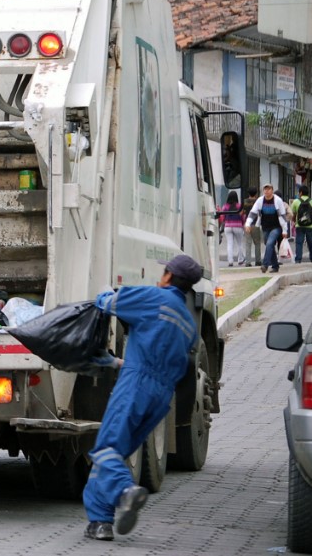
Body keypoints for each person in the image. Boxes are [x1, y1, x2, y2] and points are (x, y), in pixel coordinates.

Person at [83, 254, 203, 541]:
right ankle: (100, 523)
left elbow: (109, 303)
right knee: (114, 455)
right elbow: (167, 355)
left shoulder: (154, 297)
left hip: (136, 386)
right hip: (161, 398)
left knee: (106, 449)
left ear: (168, 277)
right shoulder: (188, 324)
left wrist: (99, 293)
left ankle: (126, 491)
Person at [244, 184, 289, 273]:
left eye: (269, 189)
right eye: (265, 189)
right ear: (263, 191)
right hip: (265, 227)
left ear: (272, 190)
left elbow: (283, 216)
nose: (267, 191)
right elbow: (253, 213)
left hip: (276, 227)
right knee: (268, 244)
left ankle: (265, 265)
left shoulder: (277, 200)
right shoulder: (260, 200)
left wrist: (284, 230)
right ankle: (275, 266)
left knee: (269, 243)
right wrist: (248, 224)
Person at [219, 191, 244, 267]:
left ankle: (230, 261)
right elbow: (243, 217)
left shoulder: (225, 206)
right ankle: (240, 260)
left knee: (230, 244)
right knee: (239, 244)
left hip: (228, 226)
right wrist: (243, 224)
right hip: (238, 226)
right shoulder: (239, 206)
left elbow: (222, 217)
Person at [241, 188, 262, 267]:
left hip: (247, 224)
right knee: (257, 243)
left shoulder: (245, 201)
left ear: (248, 193)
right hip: (256, 224)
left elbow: (241, 213)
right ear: (256, 193)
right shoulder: (258, 202)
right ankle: (258, 261)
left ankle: (248, 262)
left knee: (248, 243)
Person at [292, 185, 312, 264]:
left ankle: (298, 259)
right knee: (311, 242)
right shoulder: (311, 201)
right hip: (310, 226)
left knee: (299, 242)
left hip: (299, 225)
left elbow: (294, 213)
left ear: (300, 193)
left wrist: (294, 221)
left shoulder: (296, 201)